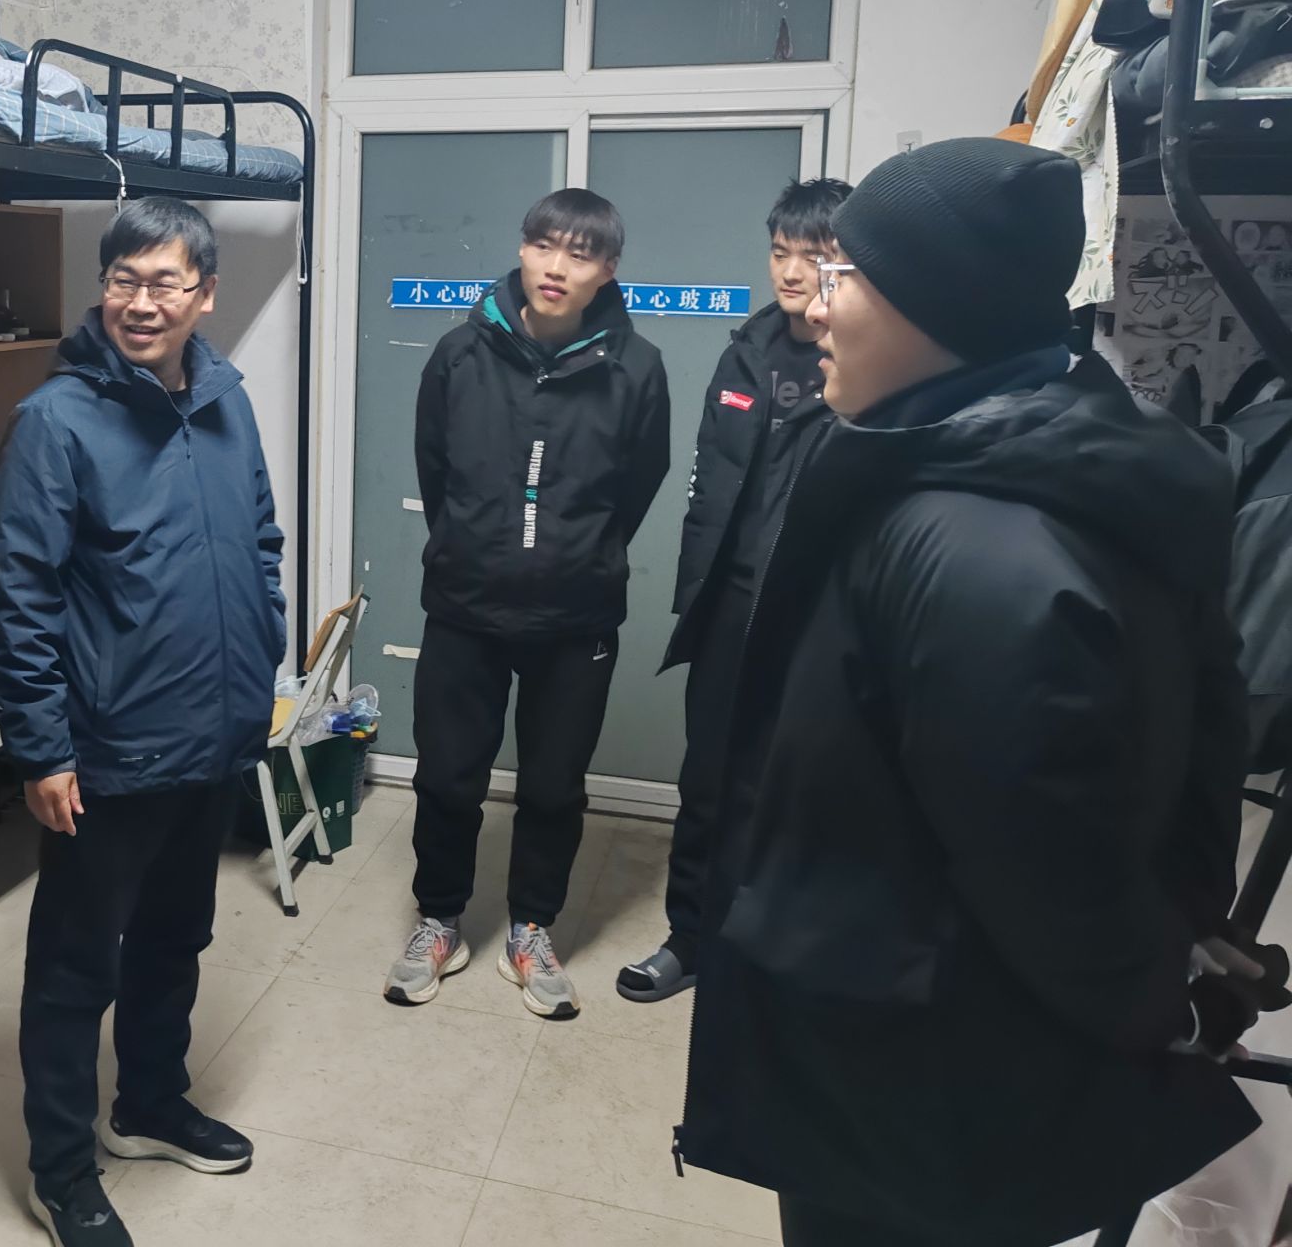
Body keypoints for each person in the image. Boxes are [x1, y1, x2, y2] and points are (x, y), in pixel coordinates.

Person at [677, 138, 1259, 1247]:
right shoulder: (974, 464)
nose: (815, 305)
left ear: (933, 305)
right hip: (902, 1049)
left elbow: (1051, 864)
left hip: (921, 1087)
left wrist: (1167, 1000)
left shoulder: (983, 547)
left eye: (844, 275)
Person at [0, 197, 283, 1247]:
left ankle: (149, 1104)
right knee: (76, 969)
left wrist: (261, 659)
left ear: (205, 296)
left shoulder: (226, 402)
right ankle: (62, 1170)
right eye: (123, 279)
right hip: (107, 749)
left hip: (211, 733)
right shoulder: (55, 421)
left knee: (174, 938)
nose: (140, 302)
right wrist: (41, 748)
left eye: (164, 283)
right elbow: (20, 597)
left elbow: (258, 541)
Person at [386, 188, 671, 1019]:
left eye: (580, 254)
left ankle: (531, 927)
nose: (556, 267)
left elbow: (640, 482)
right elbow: (435, 468)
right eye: (544, 245)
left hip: (576, 616)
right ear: (522, 249)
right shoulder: (459, 353)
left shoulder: (636, 367)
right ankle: (440, 920)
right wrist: (475, 544)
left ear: (607, 270)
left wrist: (577, 554)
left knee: (553, 786)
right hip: (465, 604)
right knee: (448, 777)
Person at [620, 178, 850, 1004]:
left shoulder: (866, 363)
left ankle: (772, 957)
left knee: (796, 793)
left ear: (846, 265)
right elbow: (706, 481)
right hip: (728, 605)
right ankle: (691, 939)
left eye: (811, 257)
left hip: (816, 617)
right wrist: (697, 587)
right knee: (709, 783)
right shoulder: (743, 353)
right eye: (780, 252)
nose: (790, 271)